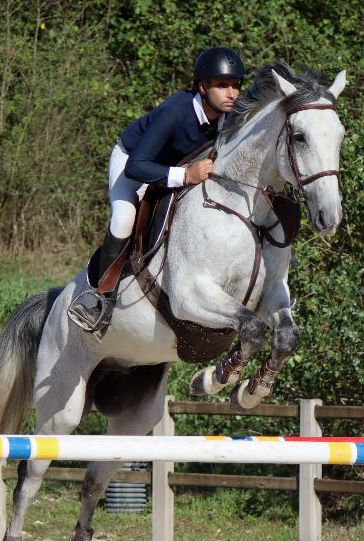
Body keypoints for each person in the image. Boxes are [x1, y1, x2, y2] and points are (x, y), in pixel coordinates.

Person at [67, 46, 246, 334]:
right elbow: (137, 167)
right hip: (134, 161)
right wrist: (186, 175)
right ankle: (98, 299)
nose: (232, 94)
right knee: (124, 219)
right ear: (202, 87)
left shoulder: (232, 115)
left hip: (174, 169)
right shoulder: (176, 112)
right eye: (222, 85)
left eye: (236, 86)